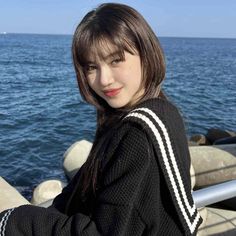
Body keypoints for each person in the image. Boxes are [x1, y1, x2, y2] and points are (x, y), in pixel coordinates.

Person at [0, 3, 202, 235]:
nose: (104, 80)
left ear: (146, 54)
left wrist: (17, 219)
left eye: (116, 60)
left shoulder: (139, 133)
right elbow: (87, 181)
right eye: (91, 67)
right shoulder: (155, 112)